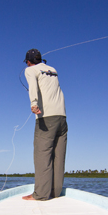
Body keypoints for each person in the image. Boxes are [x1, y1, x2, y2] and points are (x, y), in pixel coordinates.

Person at [22, 48, 68, 201]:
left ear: (29, 62)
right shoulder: (53, 70)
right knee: (58, 156)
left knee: (42, 156)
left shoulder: (30, 70)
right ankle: (55, 192)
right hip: (62, 118)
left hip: (46, 118)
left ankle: (41, 195)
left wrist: (33, 103)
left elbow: (33, 87)